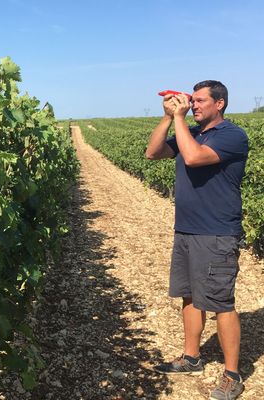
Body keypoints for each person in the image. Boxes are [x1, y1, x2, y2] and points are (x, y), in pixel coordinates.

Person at [145, 80, 249, 400]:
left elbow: (192, 158)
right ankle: (191, 357)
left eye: (200, 101)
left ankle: (232, 375)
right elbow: (152, 153)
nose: (194, 105)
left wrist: (179, 118)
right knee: (189, 296)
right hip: (187, 230)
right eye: (193, 100)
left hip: (216, 232)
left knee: (220, 303)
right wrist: (167, 117)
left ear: (219, 103)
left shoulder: (232, 135)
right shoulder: (193, 133)